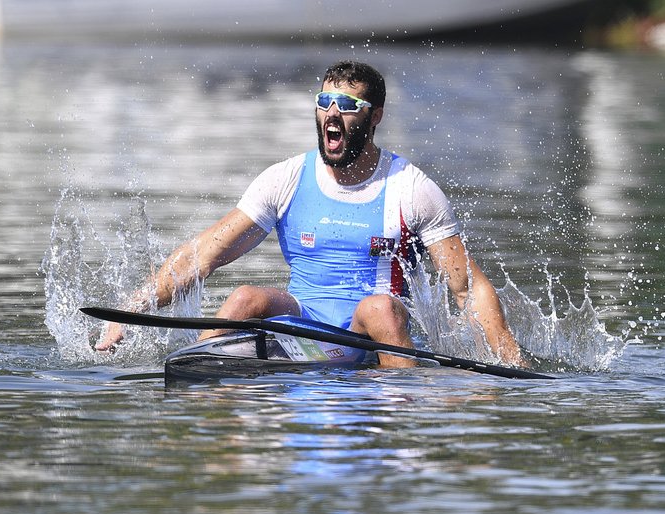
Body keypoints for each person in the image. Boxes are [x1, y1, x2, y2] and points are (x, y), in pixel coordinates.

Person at [96, 60, 524, 367]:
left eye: (347, 105)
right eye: (325, 102)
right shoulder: (285, 178)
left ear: (375, 117)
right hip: (304, 318)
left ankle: (400, 401)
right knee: (246, 296)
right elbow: (203, 255)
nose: (332, 114)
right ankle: (193, 368)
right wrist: (129, 311)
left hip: (372, 325)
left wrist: (509, 359)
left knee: (378, 309)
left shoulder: (412, 188)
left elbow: (466, 287)